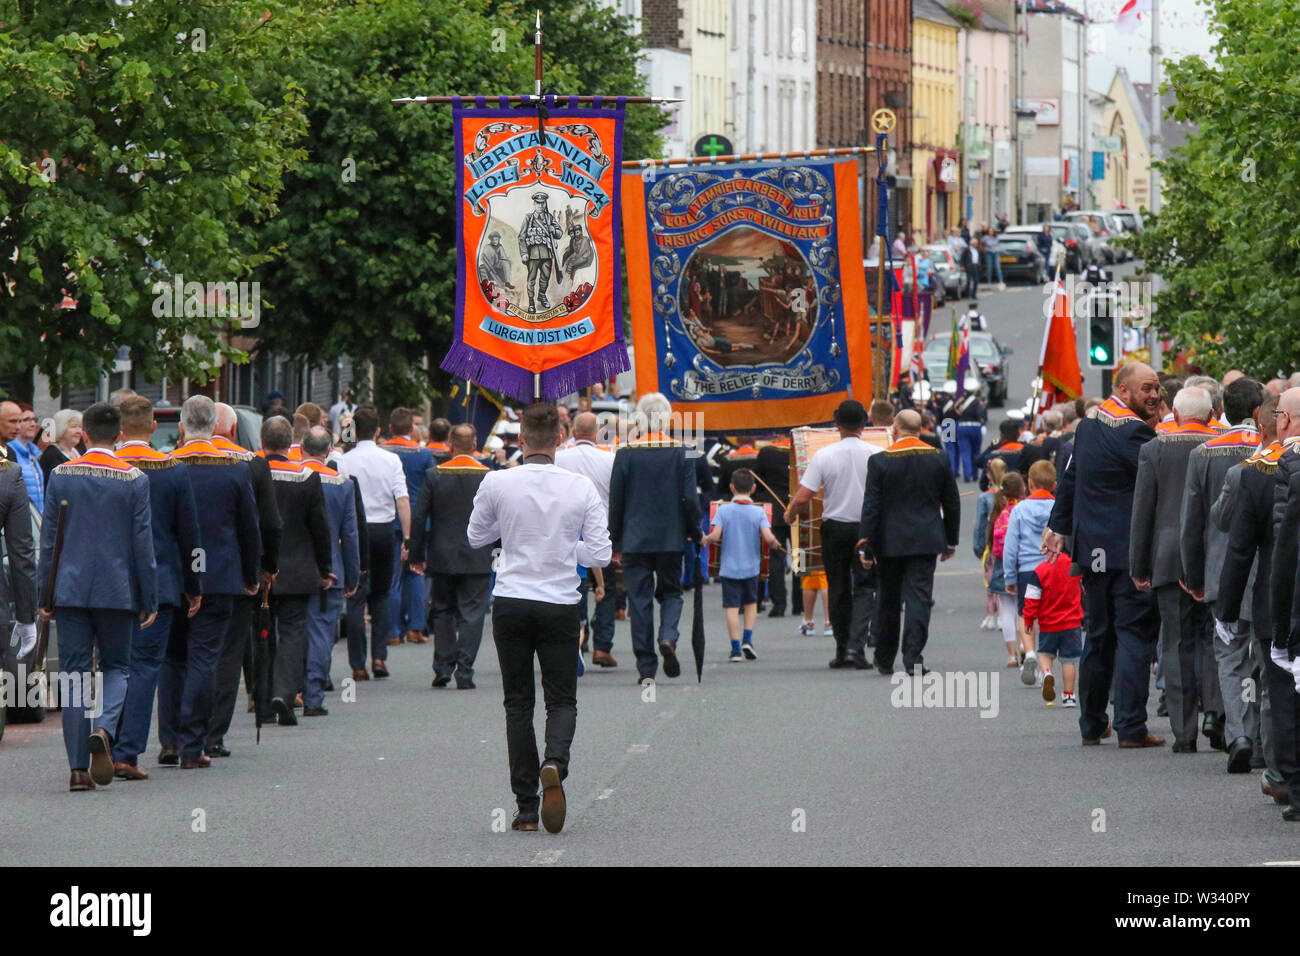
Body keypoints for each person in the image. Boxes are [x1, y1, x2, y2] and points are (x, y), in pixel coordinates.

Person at [467, 402, 610, 834]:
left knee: (517, 703)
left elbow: (476, 537)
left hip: (512, 598)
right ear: (560, 439)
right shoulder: (580, 486)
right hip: (561, 601)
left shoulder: (497, 480)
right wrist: (568, 548)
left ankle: (526, 806)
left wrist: (512, 533)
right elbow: (601, 554)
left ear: (522, 439)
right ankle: (555, 762)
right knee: (562, 698)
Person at [38, 402, 157, 791]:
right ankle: (106, 728)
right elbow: (143, 545)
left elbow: (48, 542)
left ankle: (76, 769)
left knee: (73, 675)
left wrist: (45, 593)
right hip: (117, 589)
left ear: (84, 434)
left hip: (70, 590)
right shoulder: (135, 479)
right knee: (118, 668)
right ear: (119, 434)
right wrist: (148, 596)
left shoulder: (61, 475)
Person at [1045, 361, 1164, 749]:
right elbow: (1154, 486)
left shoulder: (1089, 426)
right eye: (1147, 388)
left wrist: (1058, 526)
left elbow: (1069, 479)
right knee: (1132, 635)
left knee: (1097, 635)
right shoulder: (1136, 433)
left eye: (1157, 388)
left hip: (1092, 551)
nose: (1155, 395)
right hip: (1127, 552)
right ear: (1124, 391)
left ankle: (1092, 724)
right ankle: (1130, 727)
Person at [160, 396, 261, 769]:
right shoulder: (236, 469)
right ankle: (192, 744)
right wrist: (251, 575)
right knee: (204, 660)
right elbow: (248, 530)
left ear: (182, 427)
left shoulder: (167, 465)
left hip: (173, 576)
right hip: (220, 576)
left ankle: (169, 738)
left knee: (172, 661)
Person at [113, 397, 201, 780]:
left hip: (108, 584)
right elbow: (190, 535)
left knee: (112, 665)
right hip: (161, 583)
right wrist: (194, 584)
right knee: (146, 666)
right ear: (153, 428)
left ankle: (103, 733)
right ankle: (127, 751)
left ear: (118, 429)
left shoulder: (101, 468)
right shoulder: (173, 470)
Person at [1130, 385, 1221, 753]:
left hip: (1168, 558)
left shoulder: (1154, 449)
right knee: (1216, 639)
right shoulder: (1223, 446)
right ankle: (1217, 714)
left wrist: (1138, 565)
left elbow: (1143, 513)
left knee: (1177, 642)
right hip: (1215, 556)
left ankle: (1185, 734)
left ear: (1178, 415)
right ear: (1211, 415)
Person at [1181, 376, 1265, 770]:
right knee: (1268, 657)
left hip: (1220, 571)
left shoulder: (1203, 454)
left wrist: (1193, 575)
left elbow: (1192, 521)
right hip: (1266, 571)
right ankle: (1266, 737)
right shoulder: (1269, 451)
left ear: (1221, 411)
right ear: (1257, 411)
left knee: (1230, 657)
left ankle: (1240, 735)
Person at [1217, 396, 1293, 807]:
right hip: (1274, 598)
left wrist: (1227, 610)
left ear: (1283, 423)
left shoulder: (1257, 473)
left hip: (1274, 598)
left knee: (1278, 689)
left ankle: (1284, 775)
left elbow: (1240, 548)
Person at [608, 393, 702, 684]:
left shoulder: (625, 453)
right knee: (672, 592)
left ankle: (646, 666)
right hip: (672, 537)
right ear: (667, 418)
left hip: (635, 539)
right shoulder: (682, 451)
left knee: (639, 600)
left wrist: (615, 541)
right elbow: (690, 499)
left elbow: (617, 501)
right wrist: (694, 530)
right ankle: (668, 637)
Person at [858, 409, 960, 676]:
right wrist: (951, 540)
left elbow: (872, 506)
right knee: (919, 599)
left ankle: (884, 656)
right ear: (920, 429)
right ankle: (913, 657)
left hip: (889, 540)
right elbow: (951, 501)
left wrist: (866, 541)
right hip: (926, 539)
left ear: (894, 428)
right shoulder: (939, 458)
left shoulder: (879, 461)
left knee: (888, 599)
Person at [205, 402, 281, 758]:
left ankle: (179, 733)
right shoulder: (252, 464)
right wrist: (266, 567)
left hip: (187, 574)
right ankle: (212, 734)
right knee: (228, 654)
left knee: (187, 654)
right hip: (235, 574)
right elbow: (268, 523)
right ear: (234, 431)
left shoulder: (174, 461)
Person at [785, 400, 878, 670]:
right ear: (864, 425)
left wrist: (790, 514)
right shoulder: (878, 453)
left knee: (837, 587)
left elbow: (803, 497)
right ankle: (855, 647)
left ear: (837, 425)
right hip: (867, 530)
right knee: (864, 587)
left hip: (835, 529)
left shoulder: (824, 455)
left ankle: (841, 647)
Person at [410, 424, 496, 688]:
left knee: (443, 610)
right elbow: (499, 516)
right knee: (472, 613)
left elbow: (420, 515)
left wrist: (416, 552)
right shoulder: (489, 476)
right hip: (479, 554)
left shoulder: (434, 474)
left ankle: (443, 666)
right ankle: (465, 669)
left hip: (442, 553)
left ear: (450, 443)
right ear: (475, 444)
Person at [261, 416, 332, 725]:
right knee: (292, 633)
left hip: (260, 570)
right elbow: (320, 528)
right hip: (298, 568)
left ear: (263, 442)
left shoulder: (252, 472)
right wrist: (325, 567)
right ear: (292, 442)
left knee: (261, 633)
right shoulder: (306, 477)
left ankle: (262, 698)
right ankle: (285, 692)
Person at [338, 405, 410, 680]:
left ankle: (357, 664)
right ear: (379, 431)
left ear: (353, 430)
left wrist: (345, 433)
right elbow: (401, 499)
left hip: (355, 530)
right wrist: (407, 536)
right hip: (383, 530)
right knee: (381, 594)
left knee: (355, 597)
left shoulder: (345, 460)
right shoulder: (390, 460)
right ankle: (379, 657)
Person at [298, 426, 360, 715]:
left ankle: (288, 690)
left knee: (288, 631)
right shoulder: (342, 484)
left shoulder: (288, 477)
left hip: (291, 570)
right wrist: (352, 575)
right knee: (321, 633)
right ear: (328, 453)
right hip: (331, 570)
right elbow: (350, 534)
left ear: (301, 449)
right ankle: (313, 695)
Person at [555, 413, 618, 666]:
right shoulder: (610, 459)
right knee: (608, 590)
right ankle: (603, 645)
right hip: (602, 529)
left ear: (573, 431)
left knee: (573, 586)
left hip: (565, 530)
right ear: (597, 433)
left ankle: (580, 636)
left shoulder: (558, 457)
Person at [703, 468, 782, 661]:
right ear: (753, 488)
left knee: (731, 607)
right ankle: (748, 639)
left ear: (731, 487)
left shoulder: (723, 510)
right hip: (751, 567)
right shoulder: (759, 512)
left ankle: (735, 648)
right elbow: (769, 538)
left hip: (729, 568)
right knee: (750, 604)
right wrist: (776, 543)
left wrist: (704, 539)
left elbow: (715, 536)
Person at [383, 407, 435, 646]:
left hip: (388, 517)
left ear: (390, 428)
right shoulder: (423, 455)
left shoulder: (382, 452)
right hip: (416, 517)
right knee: (416, 572)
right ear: (412, 429)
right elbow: (431, 487)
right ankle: (415, 627)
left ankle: (393, 631)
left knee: (392, 577)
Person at [1004, 460, 1058, 682]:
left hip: (1026, 569)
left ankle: (1030, 652)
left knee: (1025, 613)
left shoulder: (1019, 509)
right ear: (1054, 485)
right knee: (1049, 615)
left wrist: (1009, 575)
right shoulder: (1058, 507)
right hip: (1052, 567)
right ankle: (1046, 662)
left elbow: (1010, 544)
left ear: (1030, 483)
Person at [1023, 548, 1084, 708]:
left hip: (1048, 624)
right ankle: (1069, 695)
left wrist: (1029, 620)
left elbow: (1031, 598)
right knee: (1069, 661)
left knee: (1044, 654)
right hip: (1072, 623)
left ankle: (1047, 673)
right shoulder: (1074, 567)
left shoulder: (1040, 571)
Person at [987, 471, 1025, 671]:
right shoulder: (1023, 510)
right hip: (1024, 562)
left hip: (1003, 564)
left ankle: (1011, 655)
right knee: (1024, 609)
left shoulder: (999, 513)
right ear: (1022, 490)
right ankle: (1024, 644)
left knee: (1007, 611)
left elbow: (993, 542)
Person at [754, 432, 795, 618]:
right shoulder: (798, 451)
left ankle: (779, 603)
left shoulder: (766, 453)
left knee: (776, 559)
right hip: (797, 509)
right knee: (798, 557)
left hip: (774, 511)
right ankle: (800, 602)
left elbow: (758, 483)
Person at [973, 458, 1009, 637]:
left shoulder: (985, 498)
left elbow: (980, 525)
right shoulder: (1009, 496)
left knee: (990, 581)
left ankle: (992, 615)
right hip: (1008, 544)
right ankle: (1005, 614)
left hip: (992, 545)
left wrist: (978, 547)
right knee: (1007, 579)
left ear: (988, 475)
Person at [11, 405, 43, 514]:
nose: (33, 424)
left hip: (35, 519)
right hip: (19, 520)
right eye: (27, 420)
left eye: (34, 420)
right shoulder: (9, 452)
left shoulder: (33, 452)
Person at [39, 409, 83, 483]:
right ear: (60, 428)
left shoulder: (76, 452)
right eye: (73, 426)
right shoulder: (52, 455)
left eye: (80, 427)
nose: (79, 431)